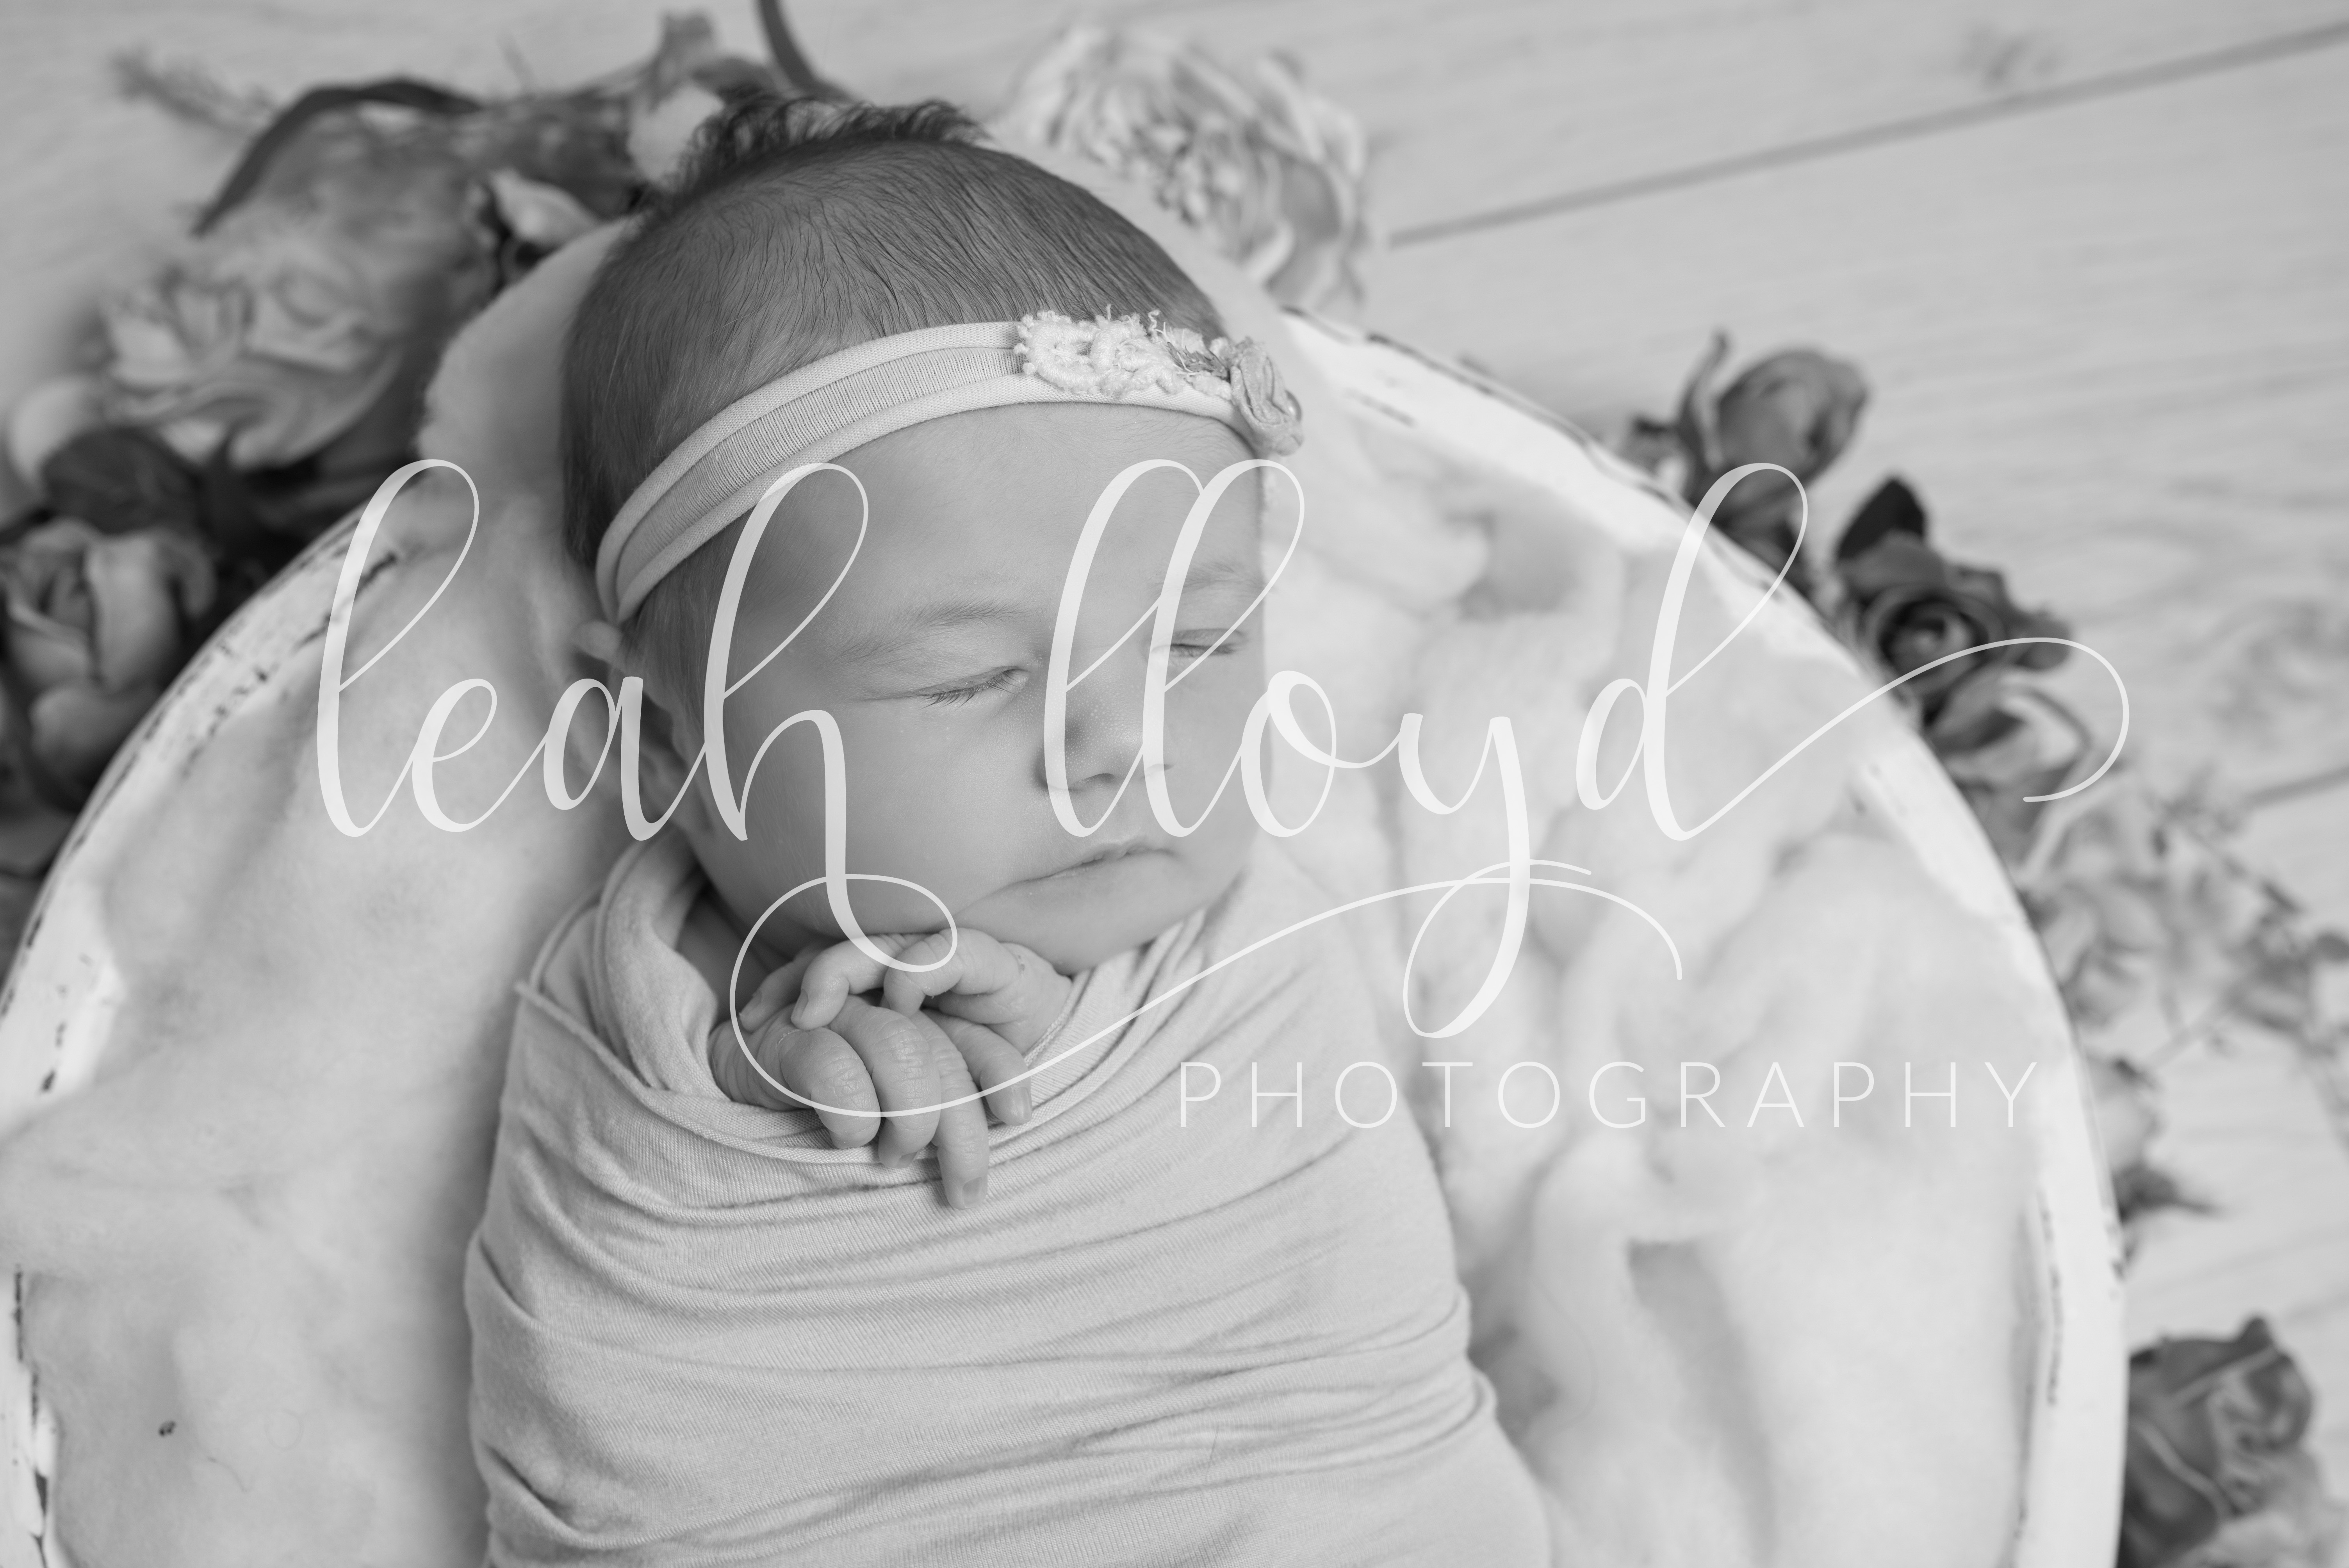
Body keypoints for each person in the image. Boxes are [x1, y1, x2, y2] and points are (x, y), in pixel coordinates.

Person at [465, 92, 1552, 1565]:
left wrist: (1052, 1042)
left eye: (1195, 643)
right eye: (971, 676)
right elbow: (632, 1374)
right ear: (668, 737)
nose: (1119, 748)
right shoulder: (630, 1030)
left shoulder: (1260, 960)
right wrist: (765, 1094)